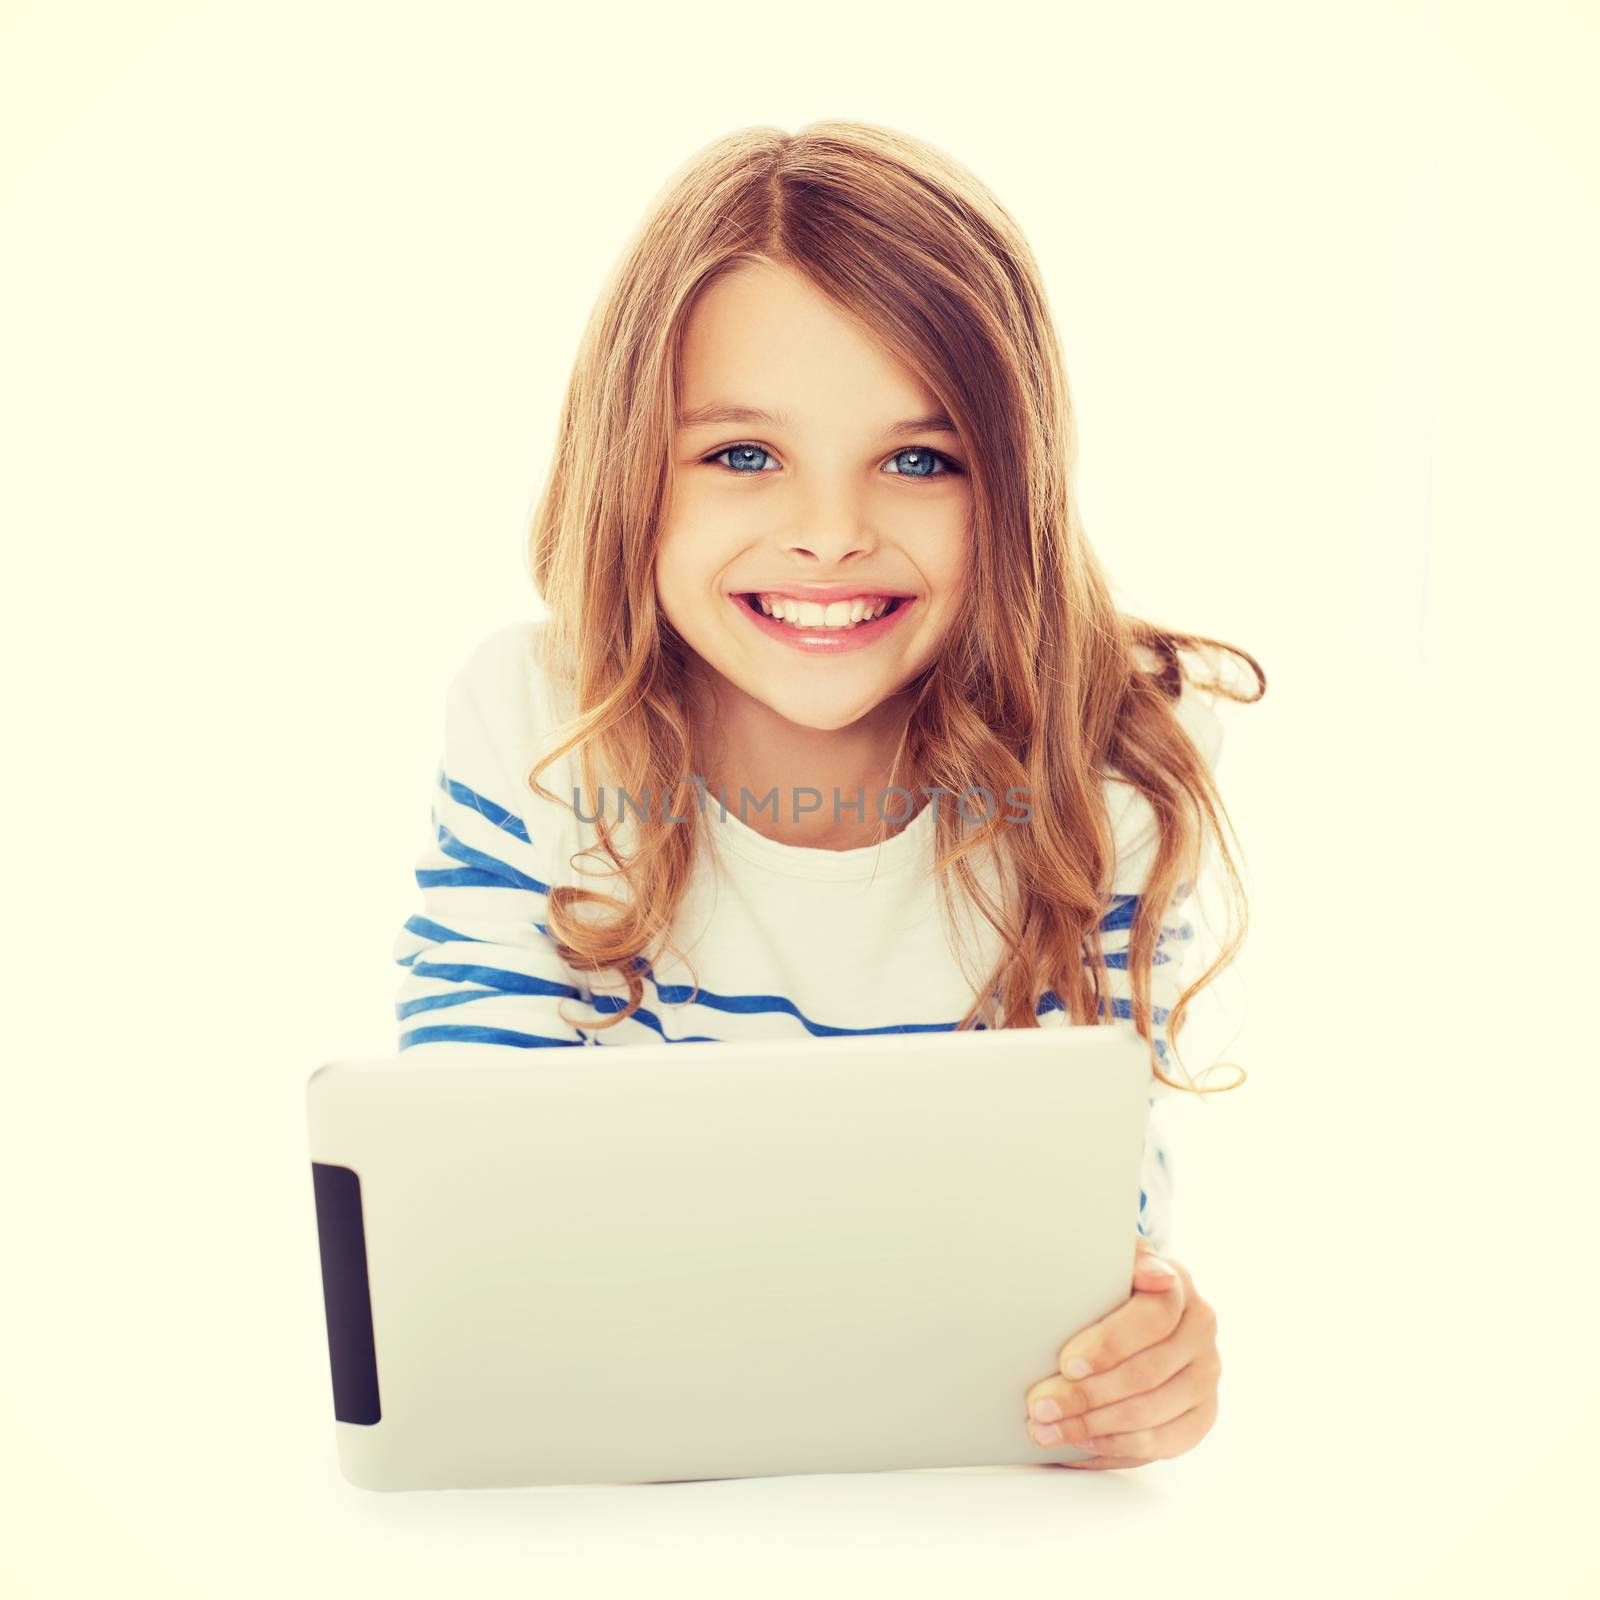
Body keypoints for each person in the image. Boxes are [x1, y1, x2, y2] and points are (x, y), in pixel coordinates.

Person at [392, 120, 1264, 1470]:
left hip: (945, 1482)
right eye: (743, 455)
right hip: (608, 1460)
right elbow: (465, 1169)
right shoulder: (538, 724)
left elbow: (1085, 1221)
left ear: (1014, 486)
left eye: (919, 460)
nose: (832, 531)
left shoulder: (1105, 763)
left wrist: (1138, 1354)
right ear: (634, 467)